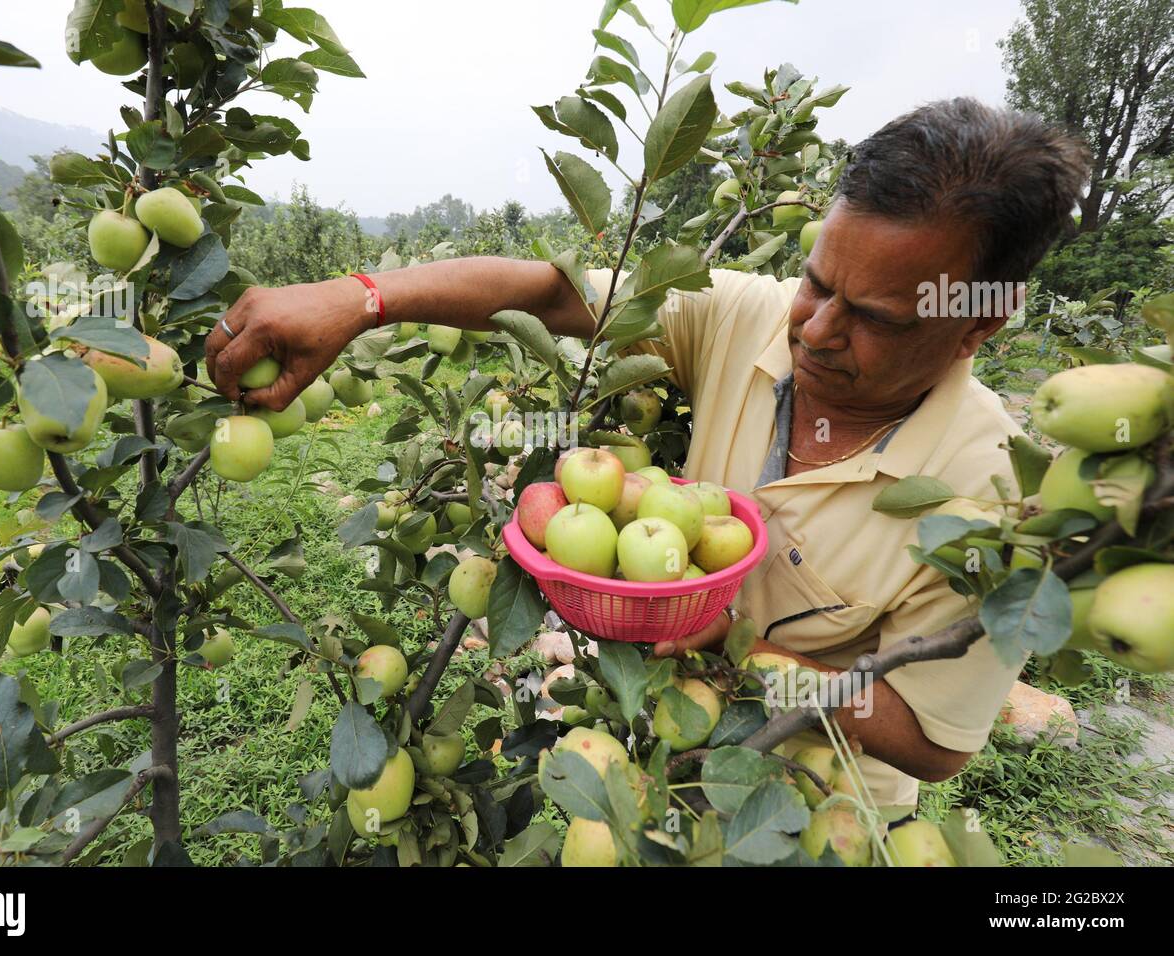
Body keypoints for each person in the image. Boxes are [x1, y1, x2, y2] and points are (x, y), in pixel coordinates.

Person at [204, 98, 1090, 809]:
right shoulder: (745, 315)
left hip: (815, 809)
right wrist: (358, 300)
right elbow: (550, 295)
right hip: (659, 752)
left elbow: (934, 742)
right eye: (818, 282)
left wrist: (738, 649)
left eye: (877, 319)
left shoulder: (993, 501)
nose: (816, 329)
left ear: (978, 321)